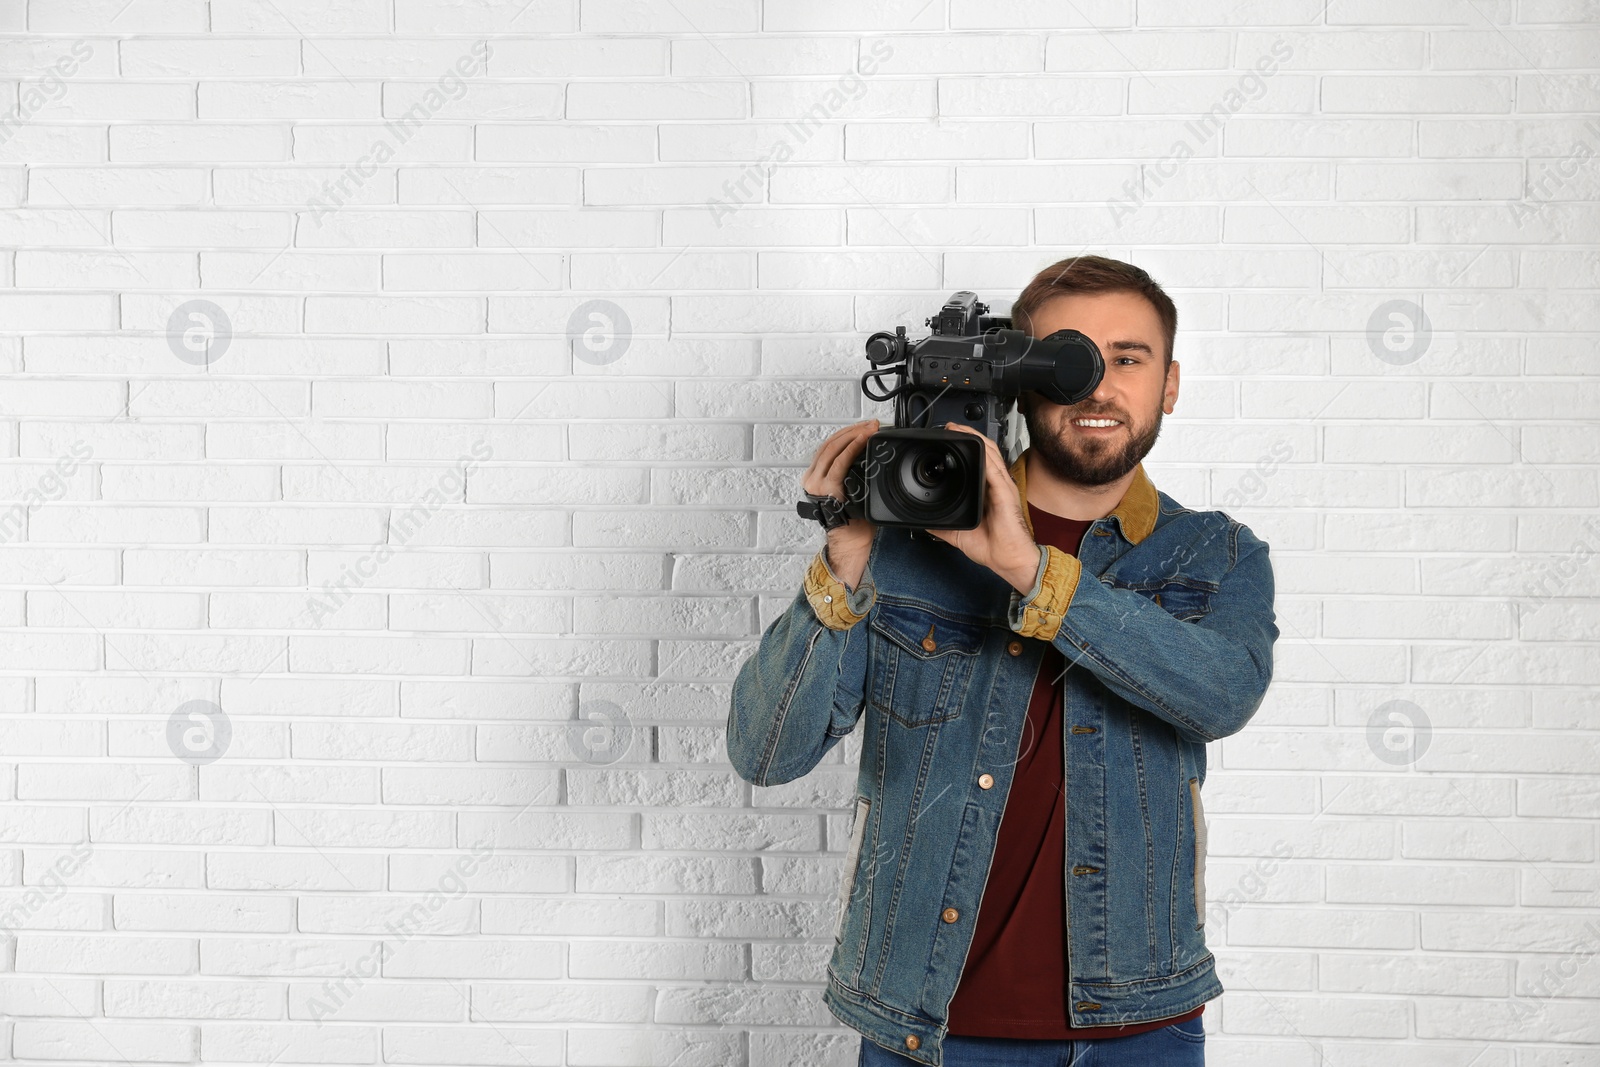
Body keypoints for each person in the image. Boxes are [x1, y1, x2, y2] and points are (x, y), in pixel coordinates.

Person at [726, 255, 1279, 1067]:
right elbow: (767, 753)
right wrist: (845, 558)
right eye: (1068, 359)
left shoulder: (1214, 555)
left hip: (1139, 1027)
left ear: (1170, 383)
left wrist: (1031, 572)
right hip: (929, 1028)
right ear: (1021, 381)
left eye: (1127, 358)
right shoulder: (903, 552)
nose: (1097, 387)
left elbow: (1221, 695)